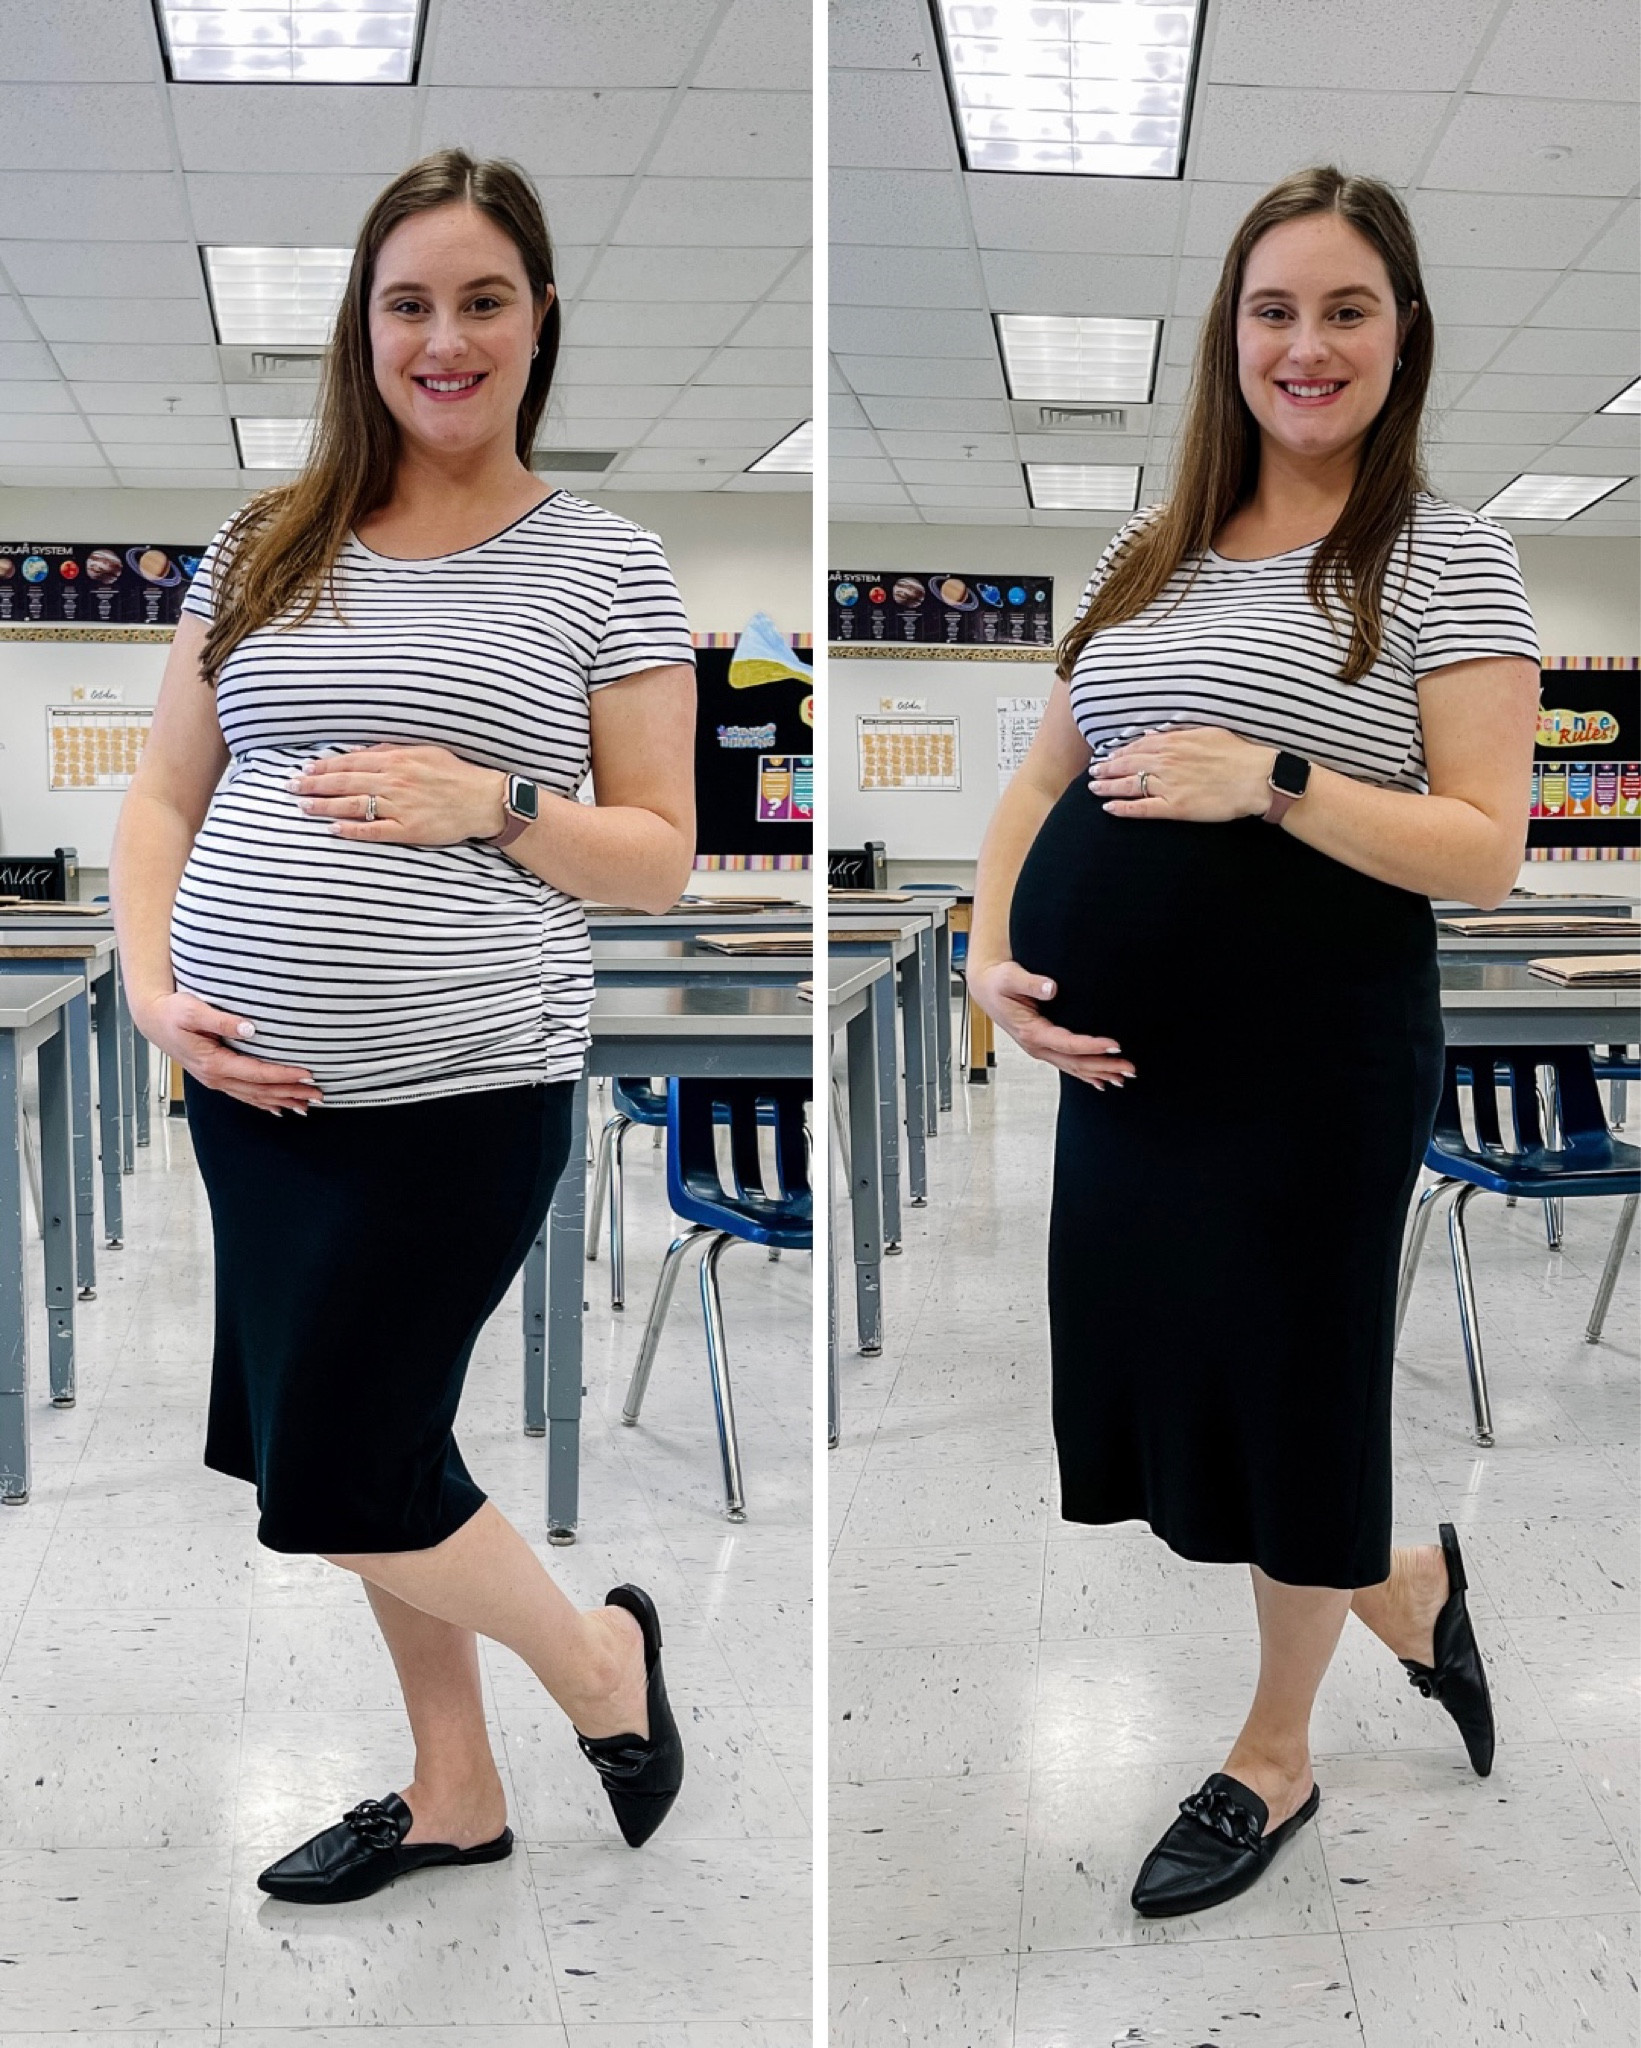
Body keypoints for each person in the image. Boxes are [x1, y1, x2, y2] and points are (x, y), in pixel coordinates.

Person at [110, 149, 697, 1903]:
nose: (444, 337)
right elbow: (159, 801)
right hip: (255, 1095)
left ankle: (601, 1666)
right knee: (390, 1451)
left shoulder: (602, 560)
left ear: (537, 327)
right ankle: (455, 1793)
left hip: (461, 1089)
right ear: (362, 333)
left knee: (345, 1472)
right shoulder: (262, 542)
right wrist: (157, 994)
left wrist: (496, 800)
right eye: (408, 305)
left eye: (482, 301)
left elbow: (657, 857)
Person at [967, 166, 1540, 1919]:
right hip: (1137, 1088)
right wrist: (996, 947)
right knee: (1193, 1396)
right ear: (1229, 339)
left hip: (1315, 1067)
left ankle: (1271, 1756)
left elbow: (1485, 842)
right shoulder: (1145, 551)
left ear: (1402, 336)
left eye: (1345, 309)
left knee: (1289, 1393)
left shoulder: (1440, 555)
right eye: (1273, 310)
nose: (1305, 344)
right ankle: (1404, 1580)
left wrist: (1272, 780)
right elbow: (1042, 772)